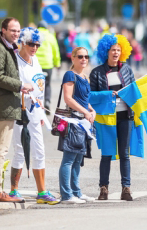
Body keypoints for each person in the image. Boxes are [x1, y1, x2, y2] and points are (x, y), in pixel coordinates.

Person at [0, 18, 34, 203]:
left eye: (18, 31)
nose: (16, 34)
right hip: (2, 105)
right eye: (12, 30)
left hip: (2, 104)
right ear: (3, 30)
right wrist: (20, 85)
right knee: (0, 149)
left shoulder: (5, 48)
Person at [5, 28, 59, 204]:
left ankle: (42, 192)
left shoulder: (35, 61)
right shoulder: (15, 61)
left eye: (37, 44)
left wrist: (41, 105)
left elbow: (39, 84)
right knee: (20, 150)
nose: (34, 47)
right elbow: (9, 85)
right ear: (23, 42)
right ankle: (13, 190)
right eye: (31, 44)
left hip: (36, 111)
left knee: (40, 150)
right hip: (19, 110)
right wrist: (24, 90)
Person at [90, 33, 135, 201]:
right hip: (105, 118)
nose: (115, 53)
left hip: (125, 116)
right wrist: (108, 94)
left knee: (124, 153)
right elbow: (91, 96)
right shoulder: (96, 72)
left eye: (118, 50)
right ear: (106, 51)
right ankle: (103, 188)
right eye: (112, 50)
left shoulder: (127, 70)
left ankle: (126, 188)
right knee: (107, 154)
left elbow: (134, 91)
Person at [59, 46, 96, 204]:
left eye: (86, 57)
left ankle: (76, 191)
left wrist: (91, 110)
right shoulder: (70, 75)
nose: (84, 59)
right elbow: (68, 99)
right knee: (68, 159)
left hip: (84, 122)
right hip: (74, 120)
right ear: (73, 58)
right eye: (80, 56)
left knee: (77, 159)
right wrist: (85, 112)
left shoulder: (85, 77)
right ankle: (66, 195)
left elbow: (84, 100)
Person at [36, 21, 61, 113]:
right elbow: (56, 51)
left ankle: (36, 103)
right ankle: (47, 101)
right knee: (47, 84)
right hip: (48, 64)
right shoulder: (51, 36)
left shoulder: (35, 35)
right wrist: (57, 63)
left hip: (37, 64)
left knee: (35, 84)